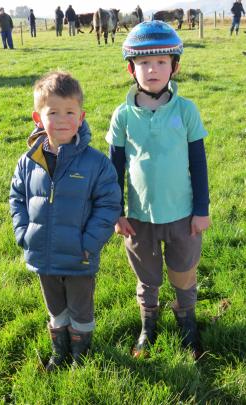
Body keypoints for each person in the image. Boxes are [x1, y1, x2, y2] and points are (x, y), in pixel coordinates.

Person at [106, 21, 210, 360]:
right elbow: (114, 169)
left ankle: (187, 322)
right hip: (139, 218)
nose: (152, 69)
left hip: (182, 216)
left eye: (162, 62)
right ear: (130, 68)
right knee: (147, 277)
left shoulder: (186, 110)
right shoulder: (122, 116)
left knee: (184, 272)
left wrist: (201, 209)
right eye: (144, 63)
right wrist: (117, 212)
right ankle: (148, 324)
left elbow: (199, 164)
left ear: (174, 66)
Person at [10, 71, 121, 371]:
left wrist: (90, 243)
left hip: (79, 256)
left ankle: (80, 354)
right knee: (55, 308)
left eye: (70, 112)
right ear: (38, 117)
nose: (62, 119)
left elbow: (109, 204)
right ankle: (59, 351)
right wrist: (24, 233)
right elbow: (17, 196)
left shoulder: (96, 164)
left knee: (80, 310)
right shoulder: (29, 161)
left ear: (81, 116)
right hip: (43, 254)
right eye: (53, 112)